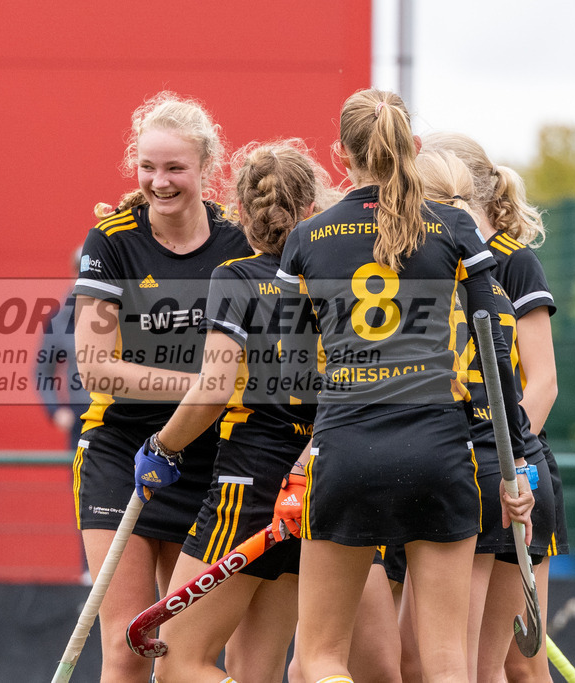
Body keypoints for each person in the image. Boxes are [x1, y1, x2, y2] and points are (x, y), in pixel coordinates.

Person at [273, 89, 534, 683]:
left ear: (341, 154)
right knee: (447, 665)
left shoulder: (308, 238)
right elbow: (498, 340)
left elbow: (287, 369)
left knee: (318, 660)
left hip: (345, 452)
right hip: (439, 452)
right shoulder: (454, 228)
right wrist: (514, 454)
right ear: (412, 148)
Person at [138, 139, 337, 683]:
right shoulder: (332, 281)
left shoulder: (235, 276)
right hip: (314, 477)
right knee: (258, 669)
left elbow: (213, 388)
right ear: (313, 211)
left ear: (241, 211)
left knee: (177, 664)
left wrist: (163, 446)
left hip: (249, 480)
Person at [72, 92, 252, 682]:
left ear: (206, 166)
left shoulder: (239, 243)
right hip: (122, 452)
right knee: (126, 647)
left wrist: (210, 399)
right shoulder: (112, 240)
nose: (159, 181)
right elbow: (95, 366)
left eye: (174, 168)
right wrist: (202, 385)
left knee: (179, 653)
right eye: (148, 167)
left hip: (208, 455)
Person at [422, 131, 566, 682]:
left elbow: (544, 383)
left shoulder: (512, 260)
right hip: (456, 464)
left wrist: (511, 461)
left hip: (511, 465)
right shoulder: (427, 259)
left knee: (513, 668)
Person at [35, 246, 91, 452]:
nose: (83, 278)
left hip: (123, 416)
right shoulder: (59, 320)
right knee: (81, 482)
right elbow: (42, 372)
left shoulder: (127, 310)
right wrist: (55, 410)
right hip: (82, 419)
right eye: (79, 271)